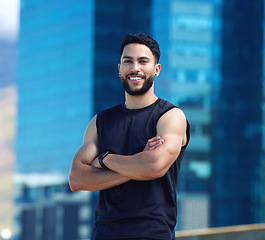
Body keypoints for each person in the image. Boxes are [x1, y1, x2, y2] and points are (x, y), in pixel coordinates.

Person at [69, 33, 190, 240]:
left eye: (143, 61)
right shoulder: (100, 122)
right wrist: (136, 165)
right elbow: (76, 179)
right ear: (120, 70)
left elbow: (154, 166)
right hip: (104, 234)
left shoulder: (170, 116)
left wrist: (104, 159)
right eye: (128, 62)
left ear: (156, 69)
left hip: (151, 234)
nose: (135, 68)